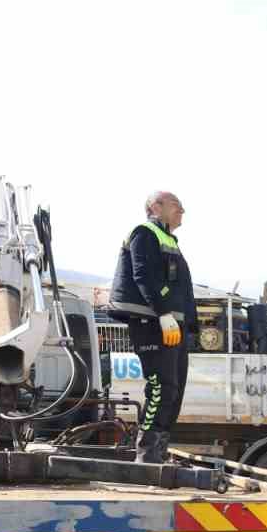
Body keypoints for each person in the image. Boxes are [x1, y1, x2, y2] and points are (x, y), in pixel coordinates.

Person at [109, 191, 196, 464]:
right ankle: (147, 454)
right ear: (155, 207)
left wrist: (188, 327)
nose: (182, 210)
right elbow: (143, 274)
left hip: (172, 327)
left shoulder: (168, 239)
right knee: (161, 387)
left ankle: (158, 451)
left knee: (175, 390)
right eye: (176, 205)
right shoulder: (144, 232)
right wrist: (163, 313)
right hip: (152, 323)